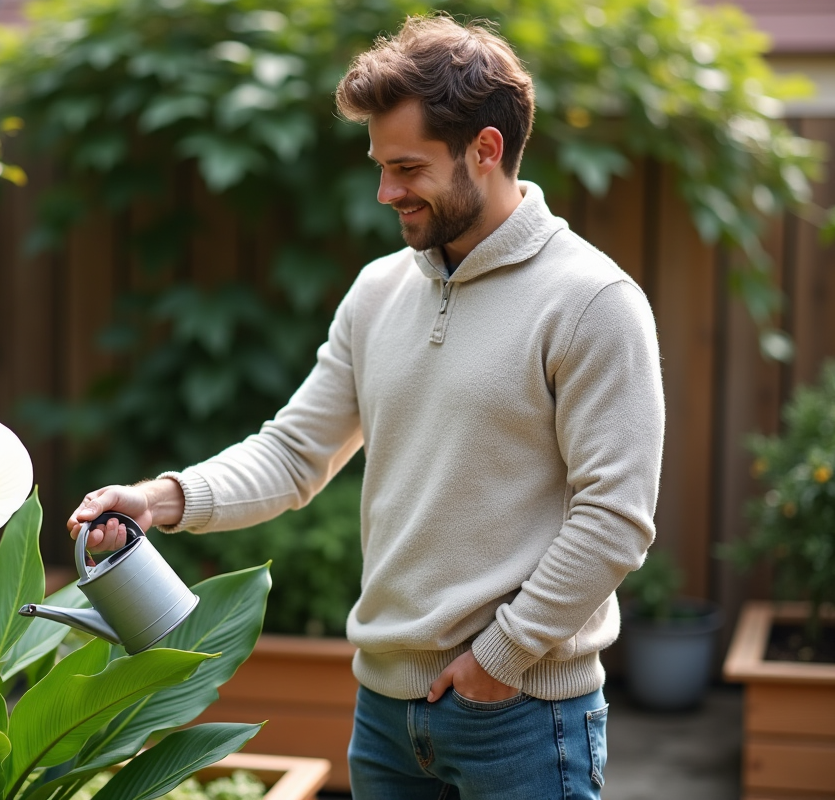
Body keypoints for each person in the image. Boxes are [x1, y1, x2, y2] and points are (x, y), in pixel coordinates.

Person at [67, 14, 664, 800]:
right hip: (384, 718)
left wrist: (501, 659)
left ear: (485, 151)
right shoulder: (379, 291)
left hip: (519, 717)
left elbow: (614, 516)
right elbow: (292, 453)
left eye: (409, 167)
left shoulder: (591, 302)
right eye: (381, 167)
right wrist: (159, 499)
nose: (387, 193)